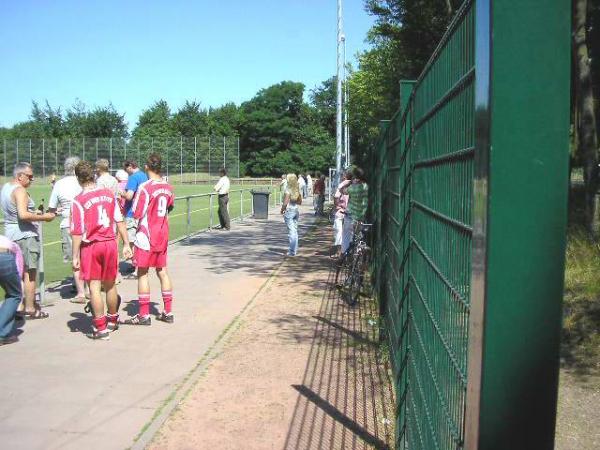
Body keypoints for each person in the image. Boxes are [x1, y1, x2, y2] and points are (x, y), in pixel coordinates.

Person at [70, 161, 132, 340]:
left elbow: (77, 231)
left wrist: (75, 255)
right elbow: (119, 220)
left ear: (78, 178)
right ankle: (113, 320)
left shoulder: (79, 200)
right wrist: (126, 243)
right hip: (110, 243)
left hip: (92, 245)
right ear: (94, 175)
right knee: (110, 283)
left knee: (94, 287)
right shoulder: (108, 194)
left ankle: (101, 328)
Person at [121, 153, 175, 325]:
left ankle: (144, 315)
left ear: (147, 167)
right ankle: (168, 312)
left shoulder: (145, 187)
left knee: (142, 273)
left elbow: (137, 212)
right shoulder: (167, 187)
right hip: (162, 233)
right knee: (162, 272)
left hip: (146, 235)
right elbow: (169, 207)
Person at [1, 163, 56, 320]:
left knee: (17, 272)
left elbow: (17, 211)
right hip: (25, 236)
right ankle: (30, 308)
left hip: (11, 235)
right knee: (30, 273)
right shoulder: (20, 190)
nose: (32, 179)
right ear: (20, 176)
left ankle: (18, 306)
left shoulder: (6, 187)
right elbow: (23, 215)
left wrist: (35, 212)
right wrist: (44, 217)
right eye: (30, 177)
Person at [48, 157, 85, 301]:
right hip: (85, 222)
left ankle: (81, 291)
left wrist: (56, 210)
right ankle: (88, 287)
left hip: (68, 223)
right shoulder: (84, 181)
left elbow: (52, 206)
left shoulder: (60, 184)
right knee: (86, 255)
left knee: (75, 258)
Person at [120, 160, 148, 274]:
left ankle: (137, 266)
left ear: (130, 166)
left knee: (131, 241)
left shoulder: (133, 177)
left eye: (126, 169)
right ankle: (138, 264)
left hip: (131, 213)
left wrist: (121, 193)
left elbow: (129, 196)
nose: (126, 172)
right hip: (142, 212)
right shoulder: (144, 176)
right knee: (140, 238)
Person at [0, 234, 23, 346]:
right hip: (4, 255)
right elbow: (19, 267)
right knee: (14, 295)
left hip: (5, 253)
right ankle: (1, 334)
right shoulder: (12, 244)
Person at [341, 167, 369, 254]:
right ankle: (357, 254)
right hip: (360, 216)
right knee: (357, 236)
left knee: (346, 235)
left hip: (350, 215)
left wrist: (348, 182)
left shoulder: (352, 188)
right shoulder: (365, 186)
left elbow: (342, 190)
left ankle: (344, 255)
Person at [280, 173, 302, 257]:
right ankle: (294, 250)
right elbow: (300, 202)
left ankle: (292, 251)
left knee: (291, 232)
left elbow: (285, 202)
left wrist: (282, 209)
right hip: (296, 210)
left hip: (289, 211)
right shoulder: (296, 190)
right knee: (295, 231)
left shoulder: (288, 189)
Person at [333, 171, 352, 257]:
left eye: (342, 175)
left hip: (340, 211)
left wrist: (336, 205)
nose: (341, 177)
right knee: (349, 233)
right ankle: (348, 252)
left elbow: (336, 196)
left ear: (345, 177)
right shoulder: (354, 185)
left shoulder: (342, 185)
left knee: (339, 231)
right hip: (351, 212)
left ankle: (339, 252)